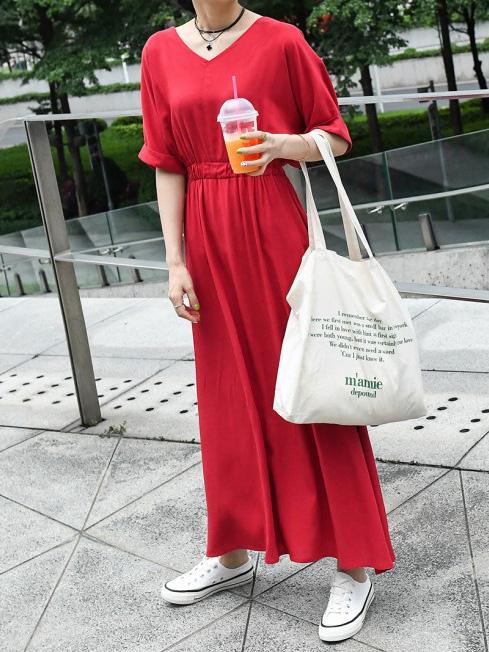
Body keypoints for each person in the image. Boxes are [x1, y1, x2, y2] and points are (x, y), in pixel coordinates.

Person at [138, 2, 396, 643]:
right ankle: (230, 551)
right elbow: (167, 161)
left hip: (275, 232)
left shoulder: (282, 42)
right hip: (206, 243)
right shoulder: (159, 52)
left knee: (314, 387)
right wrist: (174, 262)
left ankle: (355, 564)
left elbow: (334, 135)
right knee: (225, 398)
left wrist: (282, 145)